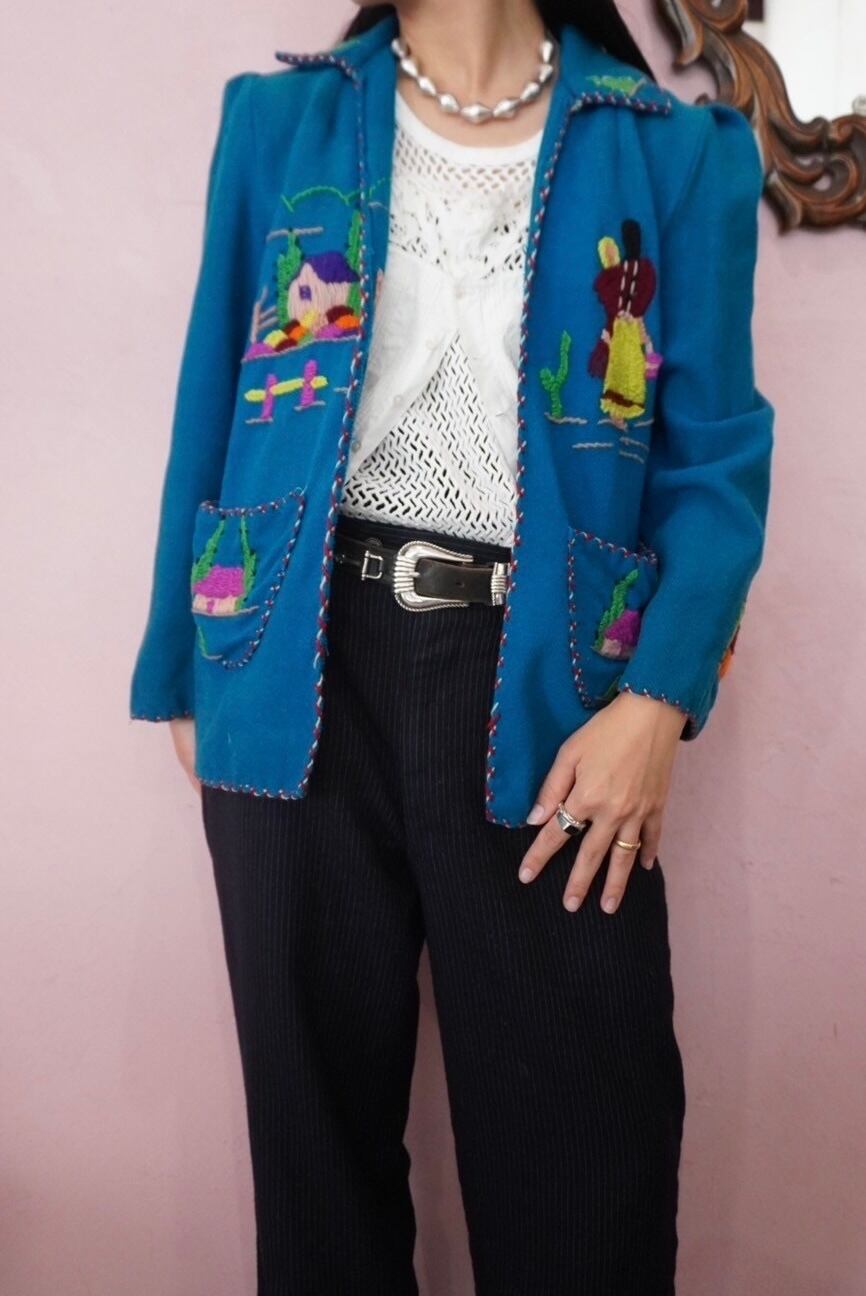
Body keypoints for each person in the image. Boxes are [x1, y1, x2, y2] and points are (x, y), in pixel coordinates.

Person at [129, 1, 774, 1292]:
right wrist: (186, 670)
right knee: (317, 1191)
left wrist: (657, 699)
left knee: (585, 1184)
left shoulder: (678, 153)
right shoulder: (280, 123)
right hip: (293, 667)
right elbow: (211, 395)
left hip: (554, 694)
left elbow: (713, 466)